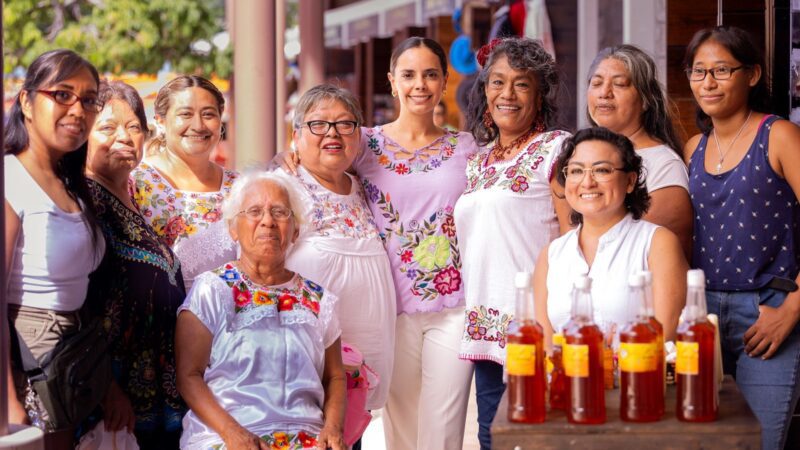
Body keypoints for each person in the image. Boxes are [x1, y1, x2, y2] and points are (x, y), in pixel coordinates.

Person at [276, 37, 478, 450]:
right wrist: (287, 155)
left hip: (454, 304)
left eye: (430, 75)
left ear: (443, 83)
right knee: (400, 426)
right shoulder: (364, 142)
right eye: (408, 75)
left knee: (444, 425)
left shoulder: (466, 148)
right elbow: (318, 150)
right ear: (392, 81)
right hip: (393, 306)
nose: (419, 85)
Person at [683, 26, 800, 450]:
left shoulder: (780, 135)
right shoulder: (693, 147)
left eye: (721, 70)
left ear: (751, 75)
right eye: (698, 72)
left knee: (759, 442)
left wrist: (791, 309)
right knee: (702, 442)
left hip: (767, 313)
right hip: (703, 318)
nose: (708, 83)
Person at [455, 36, 571, 450]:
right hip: (485, 327)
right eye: (498, 82)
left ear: (540, 96)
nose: (507, 94)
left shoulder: (557, 149)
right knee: (492, 436)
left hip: (537, 325)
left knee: (540, 437)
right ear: (484, 91)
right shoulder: (477, 161)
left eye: (522, 84)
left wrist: (556, 325)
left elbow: (573, 240)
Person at [175, 172, 346, 450]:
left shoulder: (318, 298)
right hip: (227, 435)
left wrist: (333, 428)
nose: (267, 221)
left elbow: (335, 376)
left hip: (307, 437)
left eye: (279, 212)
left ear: (296, 229)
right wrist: (234, 435)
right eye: (254, 211)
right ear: (233, 228)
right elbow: (188, 375)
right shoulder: (212, 289)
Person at [272, 84, 396, 415]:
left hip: (361, 367)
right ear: (296, 135)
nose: (333, 133)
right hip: (304, 364)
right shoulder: (284, 187)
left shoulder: (364, 188)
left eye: (345, 124)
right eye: (318, 124)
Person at [4, 49, 105, 446]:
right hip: (26, 376)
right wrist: (8, 405)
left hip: (71, 373)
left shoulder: (71, 185)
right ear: (27, 102)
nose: (78, 110)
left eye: (89, 99)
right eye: (62, 95)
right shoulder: (10, 179)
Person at [84, 80, 186, 448]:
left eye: (134, 127)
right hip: (114, 407)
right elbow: (77, 307)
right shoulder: (85, 204)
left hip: (159, 405)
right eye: (108, 127)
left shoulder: (133, 203)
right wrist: (107, 389)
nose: (125, 137)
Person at [533, 128, 686, 344]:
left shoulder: (657, 243)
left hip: (637, 376)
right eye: (576, 171)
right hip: (565, 377)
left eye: (602, 170)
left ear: (630, 181)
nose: (587, 182)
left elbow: (664, 337)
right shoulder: (551, 255)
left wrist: (603, 364)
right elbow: (546, 346)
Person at [586, 44, 693, 259]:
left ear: (645, 100)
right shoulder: (582, 156)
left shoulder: (664, 166)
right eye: (596, 83)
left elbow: (636, 251)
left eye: (619, 84)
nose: (604, 93)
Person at [132, 75, 238, 290]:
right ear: (160, 121)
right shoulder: (136, 182)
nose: (198, 125)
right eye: (185, 114)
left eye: (208, 114)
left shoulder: (240, 187)